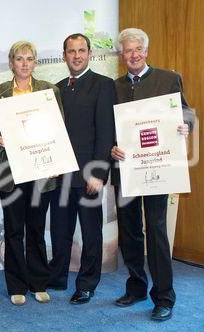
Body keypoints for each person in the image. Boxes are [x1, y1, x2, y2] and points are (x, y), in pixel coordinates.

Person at [110, 28, 195, 321]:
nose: (133, 55)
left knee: (157, 231)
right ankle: (136, 288)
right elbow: (111, 128)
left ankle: (164, 297)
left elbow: (186, 112)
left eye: (138, 50)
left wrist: (185, 126)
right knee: (130, 232)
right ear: (121, 55)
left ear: (146, 51)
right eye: (127, 51)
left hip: (158, 168)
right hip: (126, 169)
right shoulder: (115, 86)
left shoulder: (168, 79)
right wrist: (112, 148)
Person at [0, 41, 63, 306]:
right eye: (19, 59)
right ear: (11, 63)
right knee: (13, 231)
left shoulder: (49, 91)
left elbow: (58, 130)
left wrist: (56, 159)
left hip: (41, 172)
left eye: (29, 59)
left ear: (35, 63)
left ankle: (38, 283)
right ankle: (16, 285)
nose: (24, 63)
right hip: (11, 173)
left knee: (36, 229)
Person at [48, 33, 116, 305]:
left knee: (90, 233)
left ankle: (87, 284)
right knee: (59, 231)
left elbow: (106, 132)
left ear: (90, 54)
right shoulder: (56, 88)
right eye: (71, 51)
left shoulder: (103, 85)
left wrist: (99, 173)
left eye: (81, 50)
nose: (76, 56)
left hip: (90, 176)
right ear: (64, 55)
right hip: (60, 175)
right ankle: (57, 276)